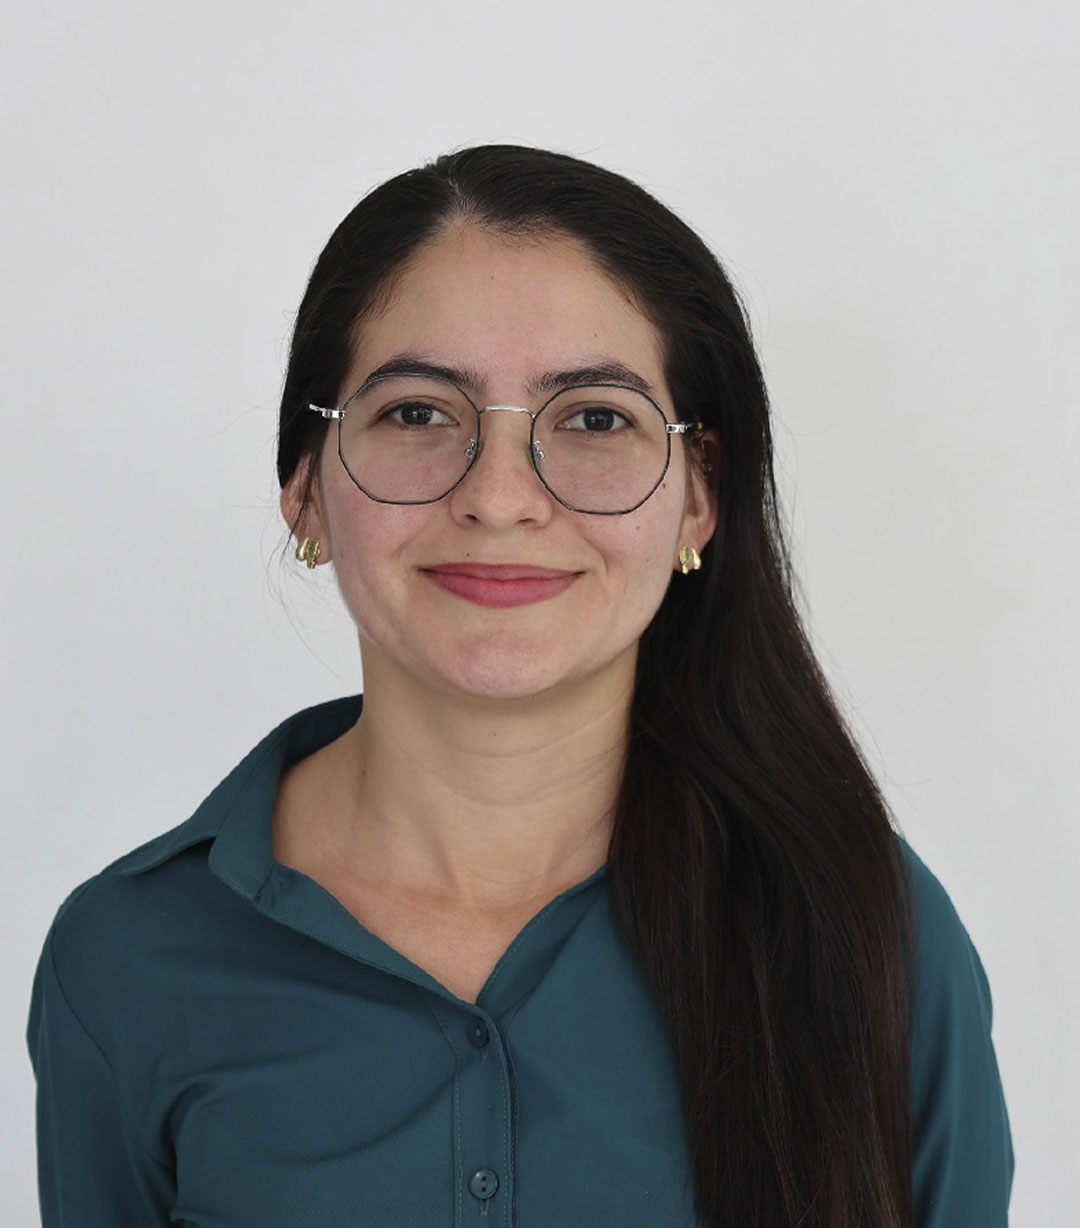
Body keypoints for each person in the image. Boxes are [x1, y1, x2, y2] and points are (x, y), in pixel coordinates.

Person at [27, 145, 1013, 1228]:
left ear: (699, 496)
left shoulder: (870, 932)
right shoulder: (127, 960)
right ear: (305, 488)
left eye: (594, 418)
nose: (500, 498)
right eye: (417, 413)